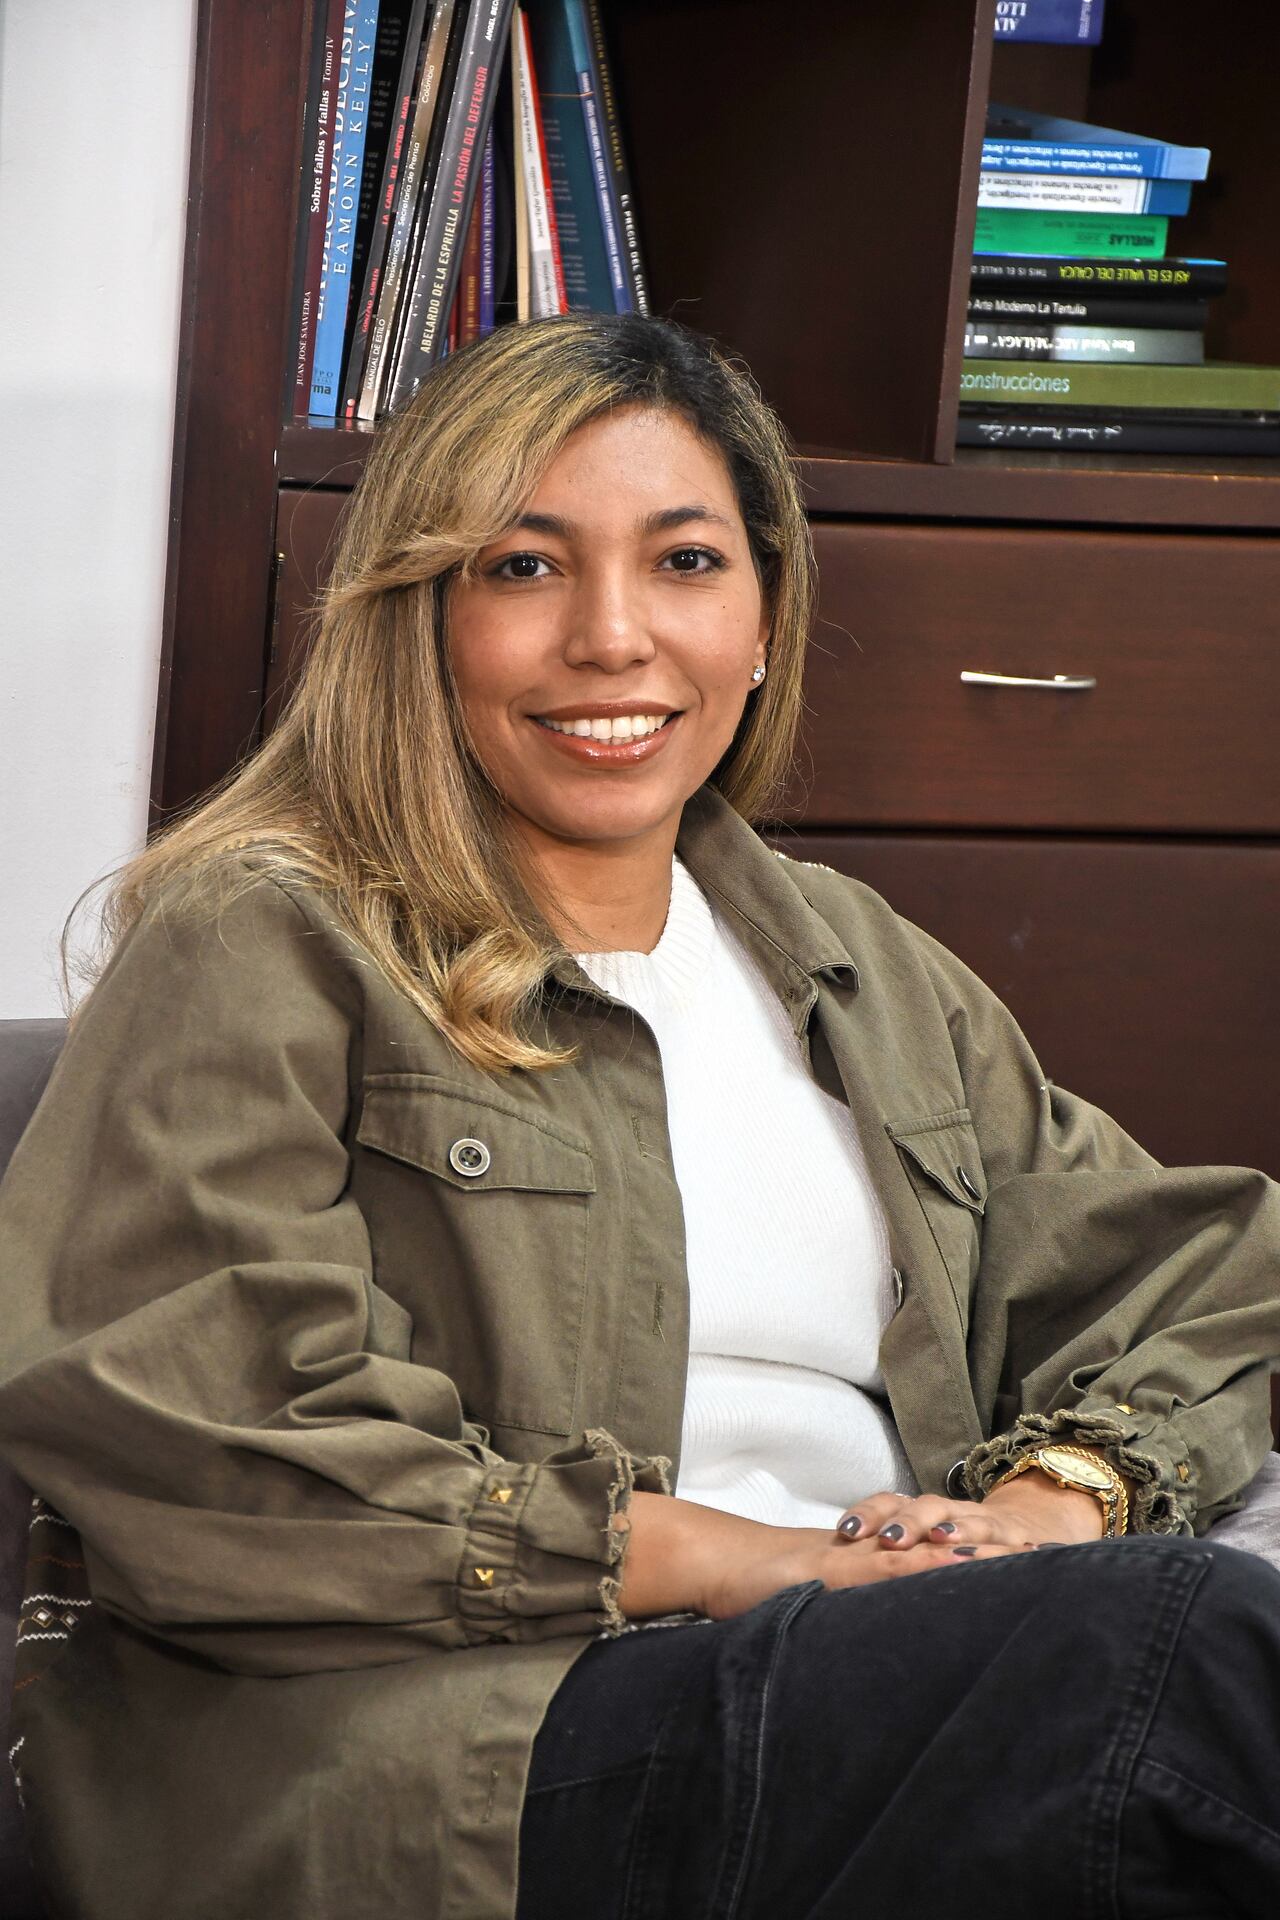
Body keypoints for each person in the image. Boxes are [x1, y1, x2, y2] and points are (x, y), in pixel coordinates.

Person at [2, 313, 1279, 1920]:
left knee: (1153, 1674)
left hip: (890, 1677)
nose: (614, 639)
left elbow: (1210, 1269)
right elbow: (199, 1437)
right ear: (422, 617)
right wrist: (764, 1566)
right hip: (473, 1741)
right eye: (525, 569)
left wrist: (1044, 1509)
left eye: (684, 564)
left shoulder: (852, 963)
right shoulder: (266, 942)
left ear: (761, 619)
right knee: (1173, 1653)